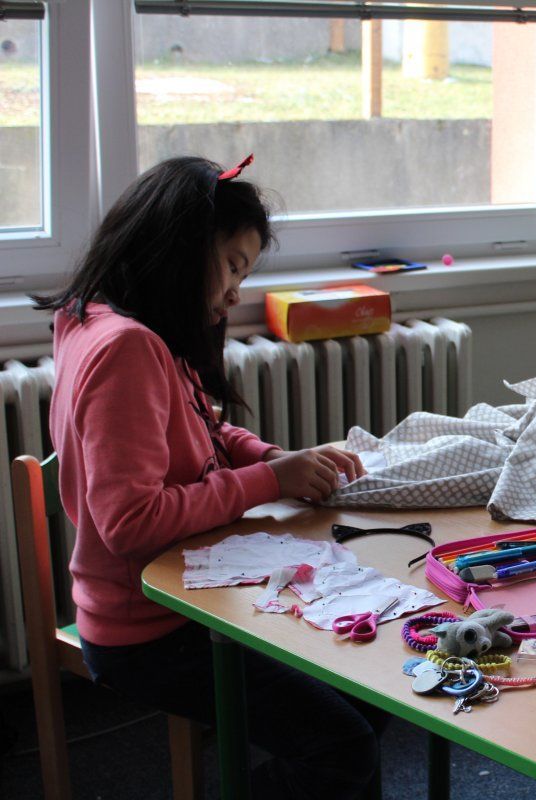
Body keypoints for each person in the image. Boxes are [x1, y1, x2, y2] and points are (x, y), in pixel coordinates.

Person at [33, 156, 387, 799]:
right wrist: (270, 482)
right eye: (231, 266)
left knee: (370, 695)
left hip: (182, 594)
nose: (234, 294)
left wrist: (271, 458)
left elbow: (202, 430)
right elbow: (130, 522)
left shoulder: (113, 322)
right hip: (151, 628)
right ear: (180, 249)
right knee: (344, 741)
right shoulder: (127, 348)